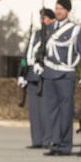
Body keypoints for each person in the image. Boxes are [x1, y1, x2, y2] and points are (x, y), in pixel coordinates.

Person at [41, 0, 81, 156]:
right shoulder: (48, 28)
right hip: (49, 74)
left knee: (65, 112)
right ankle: (54, 143)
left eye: (61, 9)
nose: (58, 12)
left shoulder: (75, 30)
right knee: (51, 112)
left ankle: (65, 145)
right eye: (56, 9)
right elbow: (42, 49)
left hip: (65, 75)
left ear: (68, 11)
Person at [17, 8, 54, 149]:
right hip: (32, 75)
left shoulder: (53, 34)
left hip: (45, 75)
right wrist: (21, 74)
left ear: (51, 19)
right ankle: (37, 140)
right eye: (41, 18)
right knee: (34, 111)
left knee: (45, 110)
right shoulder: (36, 34)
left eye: (44, 18)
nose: (42, 21)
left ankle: (47, 140)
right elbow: (27, 54)